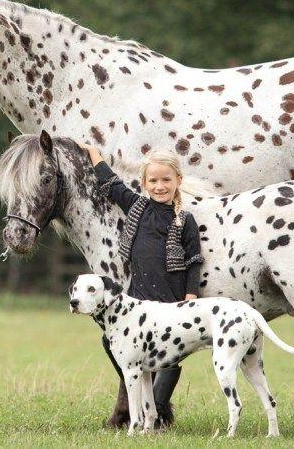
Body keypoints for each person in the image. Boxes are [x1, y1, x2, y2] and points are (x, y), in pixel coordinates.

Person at [79, 144, 204, 428]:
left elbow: (194, 260)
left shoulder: (184, 220)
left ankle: (159, 411)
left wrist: (190, 296)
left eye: (166, 180)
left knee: (169, 355)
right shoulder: (137, 207)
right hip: (137, 298)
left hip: (170, 299)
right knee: (110, 341)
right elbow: (111, 184)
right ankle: (137, 389)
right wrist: (93, 154)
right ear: (145, 183)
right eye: (154, 181)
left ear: (178, 181)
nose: (160, 186)